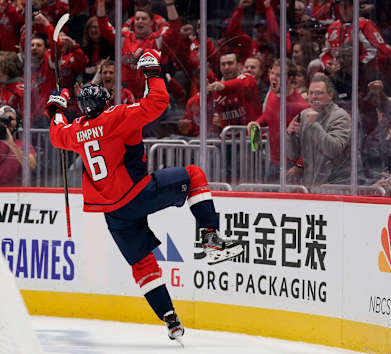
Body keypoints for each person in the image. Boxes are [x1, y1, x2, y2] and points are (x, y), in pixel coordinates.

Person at [47, 49, 243, 342]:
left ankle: (170, 320)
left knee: (142, 264)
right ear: (105, 102)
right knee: (193, 175)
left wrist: (57, 108)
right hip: (135, 192)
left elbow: (55, 133)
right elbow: (157, 102)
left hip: (112, 210)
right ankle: (211, 237)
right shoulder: (116, 116)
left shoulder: (75, 130)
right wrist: (151, 69)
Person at [247, 59, 309, 182]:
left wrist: (299, 166)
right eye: (272, 73)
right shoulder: (272, 96)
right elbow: (268, 115)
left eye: (279, 75)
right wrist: (257, 123)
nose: (273, 78)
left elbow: (310, 143)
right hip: (273, 163)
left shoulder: (301, 106)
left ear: (291, 79)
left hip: (292, 167)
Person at [286, 75, 352, 190]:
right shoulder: (304, 115)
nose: (313, 97)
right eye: (311, 93)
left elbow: (333, 150)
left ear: (330, 95)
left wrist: (314, 126)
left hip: (336, 187)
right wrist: (290, 135)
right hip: (312, 185)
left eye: (319, 93)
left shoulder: (341, 117)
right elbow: (294, 155)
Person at [0, 105, 36, 186]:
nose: (7, 123)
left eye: (11, 119)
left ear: (17, 123)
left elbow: (31, 166)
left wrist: (12, 144)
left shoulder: (23, 144)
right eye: (2, 119)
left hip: (15, 193)